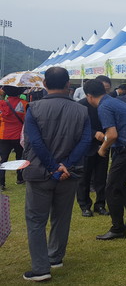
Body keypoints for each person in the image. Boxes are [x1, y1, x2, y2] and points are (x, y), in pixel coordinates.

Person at [21, 66, 91, 281]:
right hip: (68, 174)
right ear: (68, 84)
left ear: (44, 84)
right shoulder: (82, 110)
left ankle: (41, 268)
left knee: (36, 220)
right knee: (61, 217)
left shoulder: (34, 108)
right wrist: (66, 166)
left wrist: (54, 167)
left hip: (41, 173)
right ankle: (55, 257)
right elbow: (85, 141)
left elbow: (35, 142)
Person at [84, 79, 126, 240]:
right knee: (119, 184)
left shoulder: (104, 106)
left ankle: (117, 228)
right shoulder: (114, 102)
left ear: (89, 96)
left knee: (111, 187)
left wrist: (102, 149)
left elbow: (112, 135)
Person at [76, 75, 111, 217]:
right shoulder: (81, 105)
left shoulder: (107, 104)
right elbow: (77, 127)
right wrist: (93, 133)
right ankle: (85, 205)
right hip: (86, 146)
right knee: (84, 178)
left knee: (101, 176)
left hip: (104, 144)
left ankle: (100, 204)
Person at [0, 85, 28, 189]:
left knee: (3, 159)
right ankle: (20, 178)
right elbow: (27, 119)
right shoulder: (24, 104)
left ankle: (2, 182)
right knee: (19, 158)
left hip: (3, 135)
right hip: (18, 135)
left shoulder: (1, 104)